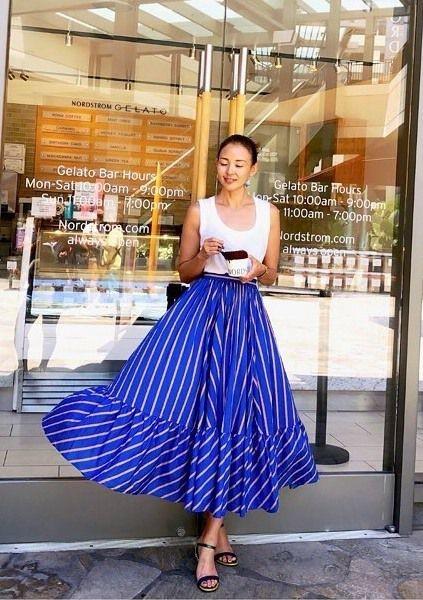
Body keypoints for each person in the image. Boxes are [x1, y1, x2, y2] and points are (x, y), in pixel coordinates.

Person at [41, 134, 319, 594]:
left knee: (237, 415)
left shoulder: (269, 213)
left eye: (239, 164)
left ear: (253, 169)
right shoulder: (199, 210)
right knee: (194, 410)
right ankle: (215, 533)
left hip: (246, 318)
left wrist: (257, 269)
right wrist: (205, 255)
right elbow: (183, 271)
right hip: (200, 314)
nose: (230, 171)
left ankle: (209, 538)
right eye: (224, 162)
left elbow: (272, 272)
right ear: (217, 165)